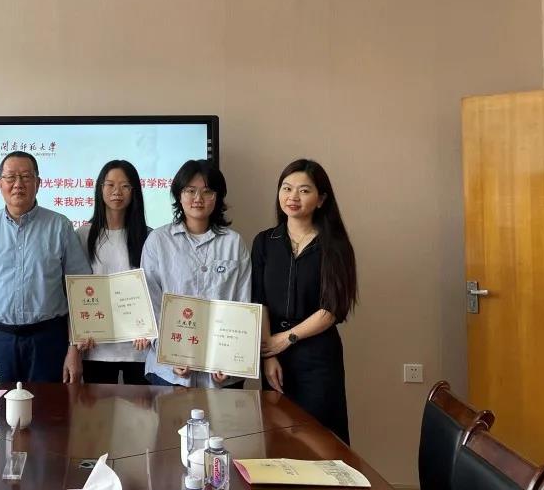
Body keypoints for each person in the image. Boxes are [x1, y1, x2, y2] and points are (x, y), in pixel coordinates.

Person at [0, 150, 92, 384]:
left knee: (48, 406)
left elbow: (79, 291)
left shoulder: (60, 226)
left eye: (26, 177)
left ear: (38, 183)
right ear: (0, 183)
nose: (18, 184)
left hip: (48, 339)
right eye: (10, 177)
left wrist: (74, 350)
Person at [253, 158, 357, 444]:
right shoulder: (264, 242)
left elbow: (332, 308)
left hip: (317, 355)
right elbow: (258, 300)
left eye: (304, 190)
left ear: (321, 199)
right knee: (277, 439)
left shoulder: (335, 245)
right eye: (286, 188)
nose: (293, 197)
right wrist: (269, 354)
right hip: (274, 354)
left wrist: (287, 338)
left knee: (319, 438)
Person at [142, 159, 251, 388]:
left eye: (207, 191)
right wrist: (169, 353)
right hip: (169, 373)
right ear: (179, 195)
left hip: (221, 372)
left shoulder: (234, 243)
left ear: (218, 197)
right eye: (190, 191)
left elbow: (242, 303)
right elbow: (150, 302)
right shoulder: (158, 241)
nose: (198, 198)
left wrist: (231, 359)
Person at [75, 160, 152, 385]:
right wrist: (80, 330)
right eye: (110, 185)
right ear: (100, 189)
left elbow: (155, 288)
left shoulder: (149, 237)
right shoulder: (83, 235)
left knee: (141, 407)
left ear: (134, 191)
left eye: (125, 186)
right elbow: (75, 288)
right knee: (98, 408)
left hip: (138, 347)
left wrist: (149, 329)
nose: (117, 192)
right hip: (96, 346)